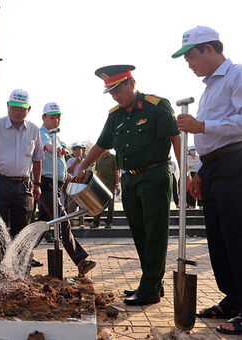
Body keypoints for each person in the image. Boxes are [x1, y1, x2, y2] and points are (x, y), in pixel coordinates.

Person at [173, 26, 242, 335]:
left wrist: (202, 125)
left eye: (191, 56)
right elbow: (209, 141)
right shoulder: (210, 88)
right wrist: (200, 171)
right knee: (219, 239)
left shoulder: (239, 75)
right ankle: (235, 298)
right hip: (213, 167)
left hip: (233, 163)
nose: (190, 63)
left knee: (241, 237)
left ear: (211, 49)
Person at [76, 64, 181, 306]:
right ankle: (152, 282)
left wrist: (183, 172)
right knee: (140, 233)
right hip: (130, 179)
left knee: (155, 232)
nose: (115, 96)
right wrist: (83, 165)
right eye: (111, 92)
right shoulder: (115, 115)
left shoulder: (157, 106)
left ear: (131, 84)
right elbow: (101, 144)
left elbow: (175, 137)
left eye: (117, 90)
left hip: (155, 176)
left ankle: (150, 287)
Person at [0, 89, 43, 242]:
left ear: (28, 109)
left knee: (23, 229)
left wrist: (37, 185)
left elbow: (37, 159)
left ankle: (22, 263)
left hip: (23, 186)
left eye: (21, 108)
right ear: (7, 106)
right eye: (14, 107)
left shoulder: (34, 130)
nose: (17, 112)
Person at [37, 102, 96, 276]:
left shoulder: (54, 135)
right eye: (52, 117)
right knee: (63, 220)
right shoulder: (42, 134)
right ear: (44, 118)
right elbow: (48, 148)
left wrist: (70, 178)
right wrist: (57, 149)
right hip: (46, 184)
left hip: (57, 185)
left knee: (42, 225)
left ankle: (22, 252)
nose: (56, 121)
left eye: (58, 117)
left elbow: (59, 164)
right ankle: (80, 260)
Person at [92, 149, 120, 228]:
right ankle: (96, 222)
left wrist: (117, 184)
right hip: (100, 185)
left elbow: (116, 172)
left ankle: (109, 222)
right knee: (98, 203)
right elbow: (97, 172)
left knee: (110, 204)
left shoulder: (113, 158)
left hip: (110, 184)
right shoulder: (99, 158)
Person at [66, 144, 86, 228]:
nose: (78, 151)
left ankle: (81, 223)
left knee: (82, 206)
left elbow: (88, 173)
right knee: (71, 206)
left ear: (82, 151)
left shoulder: (85, 161)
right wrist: (76, 162)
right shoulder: (70, 160)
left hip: (82, 186)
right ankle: (70, 223)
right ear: (73, 152)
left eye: (79, 150)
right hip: (72, 186)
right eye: (76, 150)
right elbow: (67, 171)